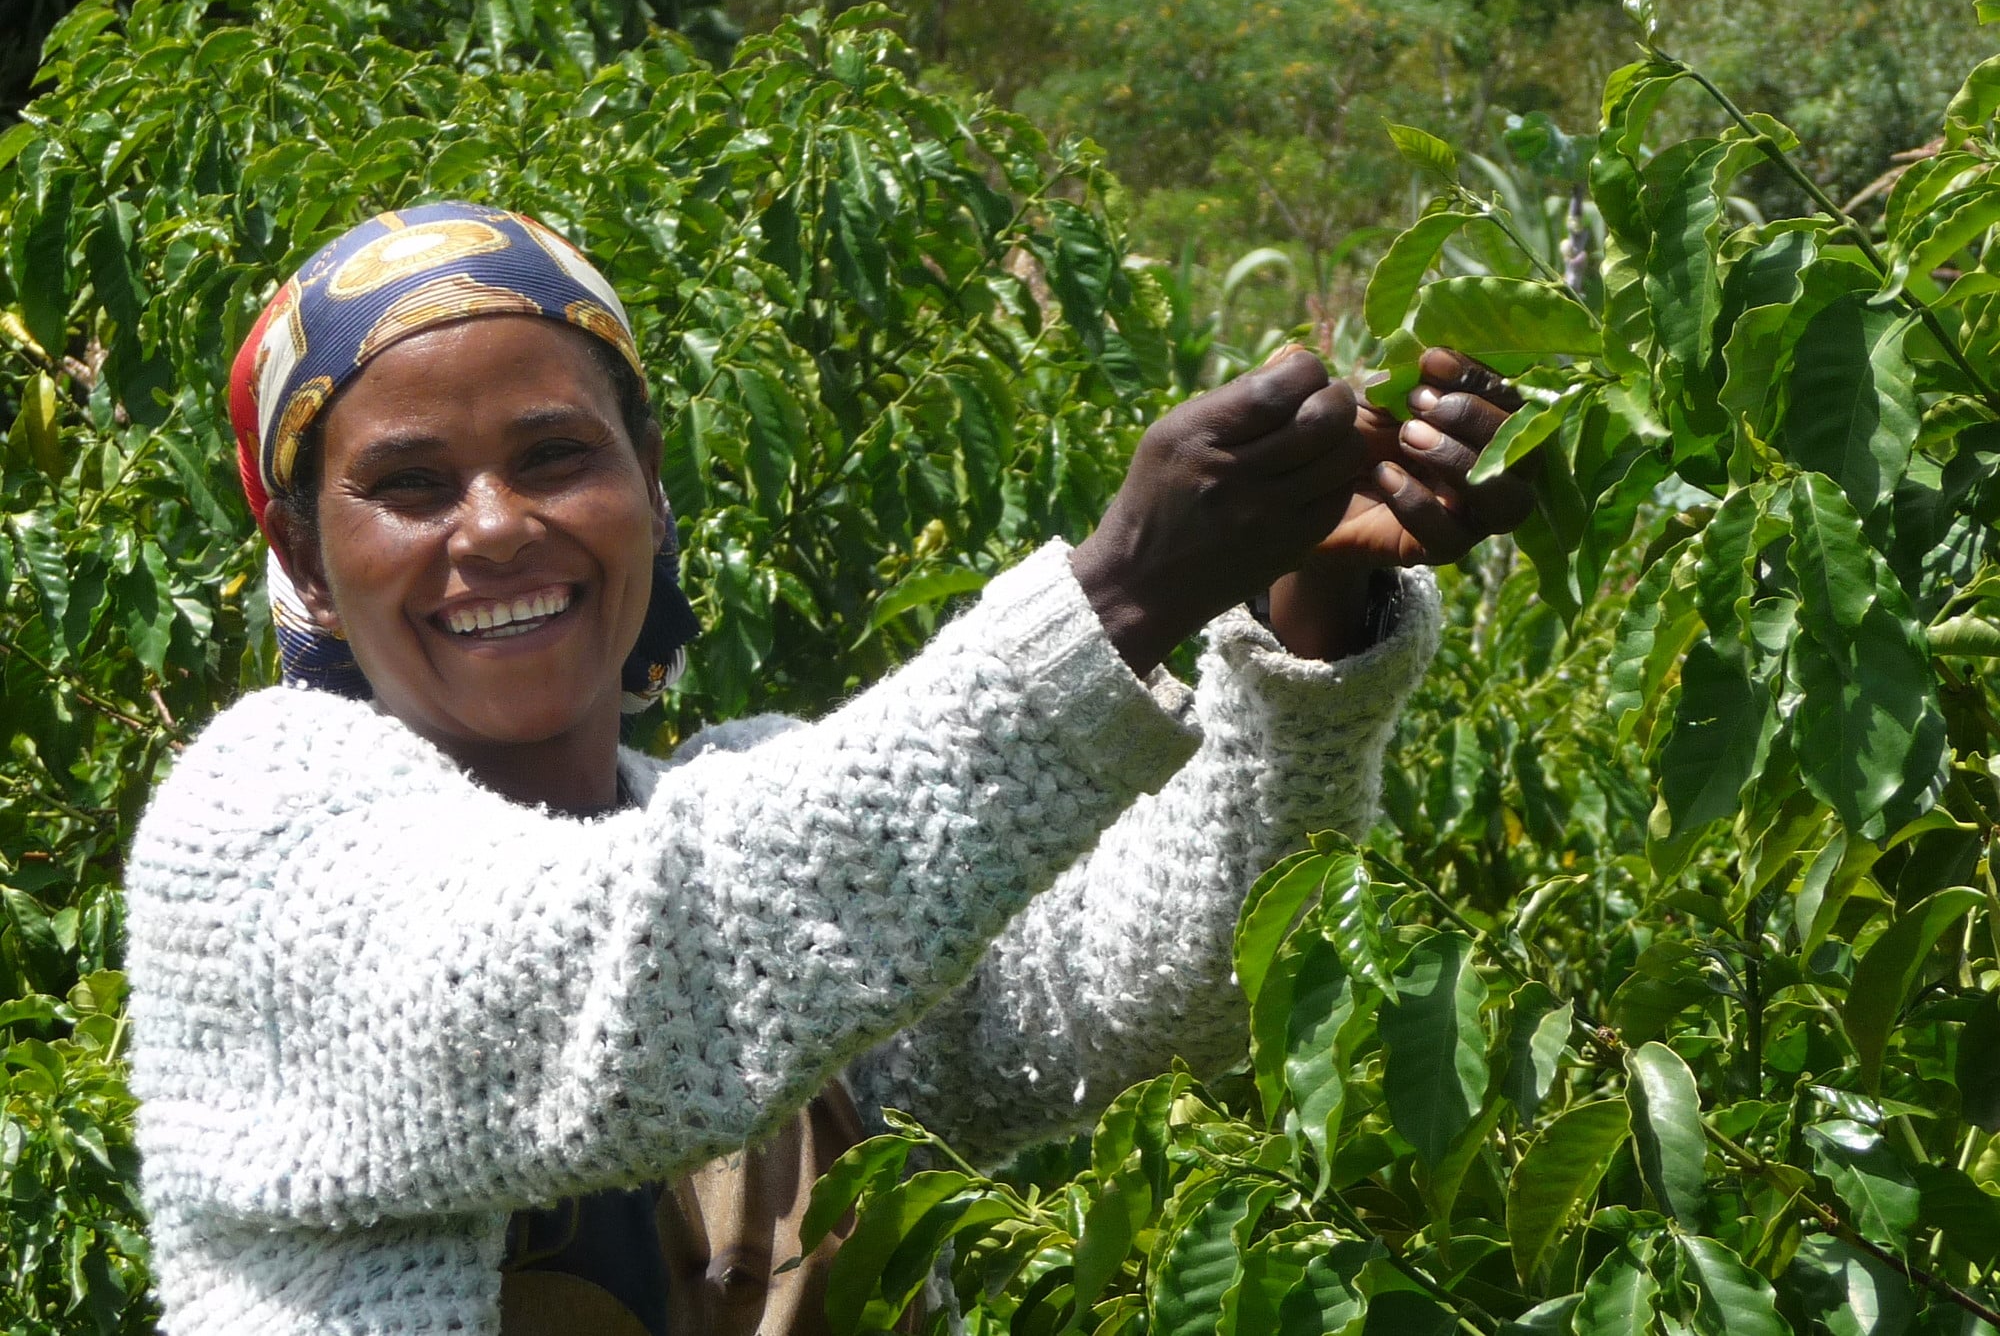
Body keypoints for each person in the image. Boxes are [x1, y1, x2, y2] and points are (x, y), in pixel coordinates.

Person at [125, 202, 1533, 1336]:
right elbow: (631, 971)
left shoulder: (753, 804)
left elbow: (1148, 993)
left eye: (557, 455)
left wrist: (1306, 620)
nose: (494, 529)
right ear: (308, 554)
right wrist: (1115, 600)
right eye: (411, 485)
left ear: (649, 484)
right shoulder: (255, 837)